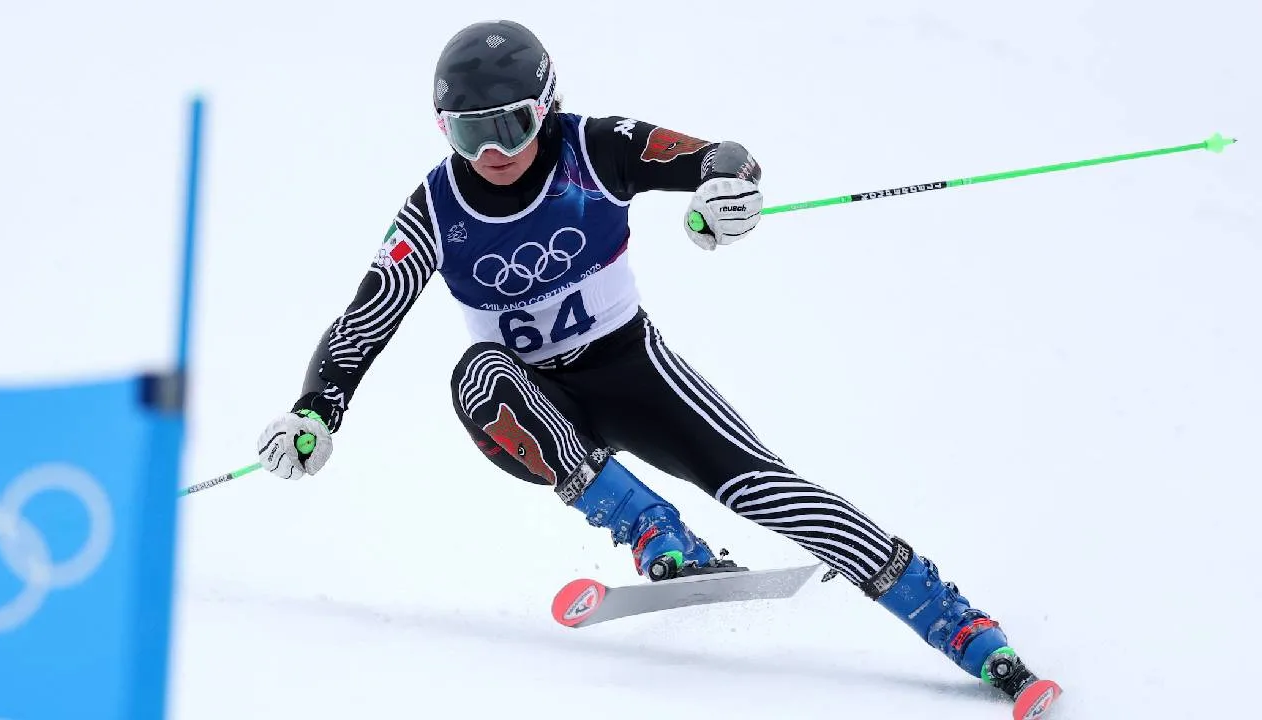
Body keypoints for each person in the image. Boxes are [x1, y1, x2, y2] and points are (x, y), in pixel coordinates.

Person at [255, 18, 1058, 714]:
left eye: (512, 124)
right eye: (469, 132)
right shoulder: (437, 209)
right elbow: (367, 316)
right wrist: (316, 410)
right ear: (442, 132)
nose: (494, 151)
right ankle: (651, 532)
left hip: (635, 372)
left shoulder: (595, 148)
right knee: (479, 372)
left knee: (768, 490)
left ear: (549, 108)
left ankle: (958, 626)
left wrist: (726, 195)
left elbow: (724, 156)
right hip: (534, 405)